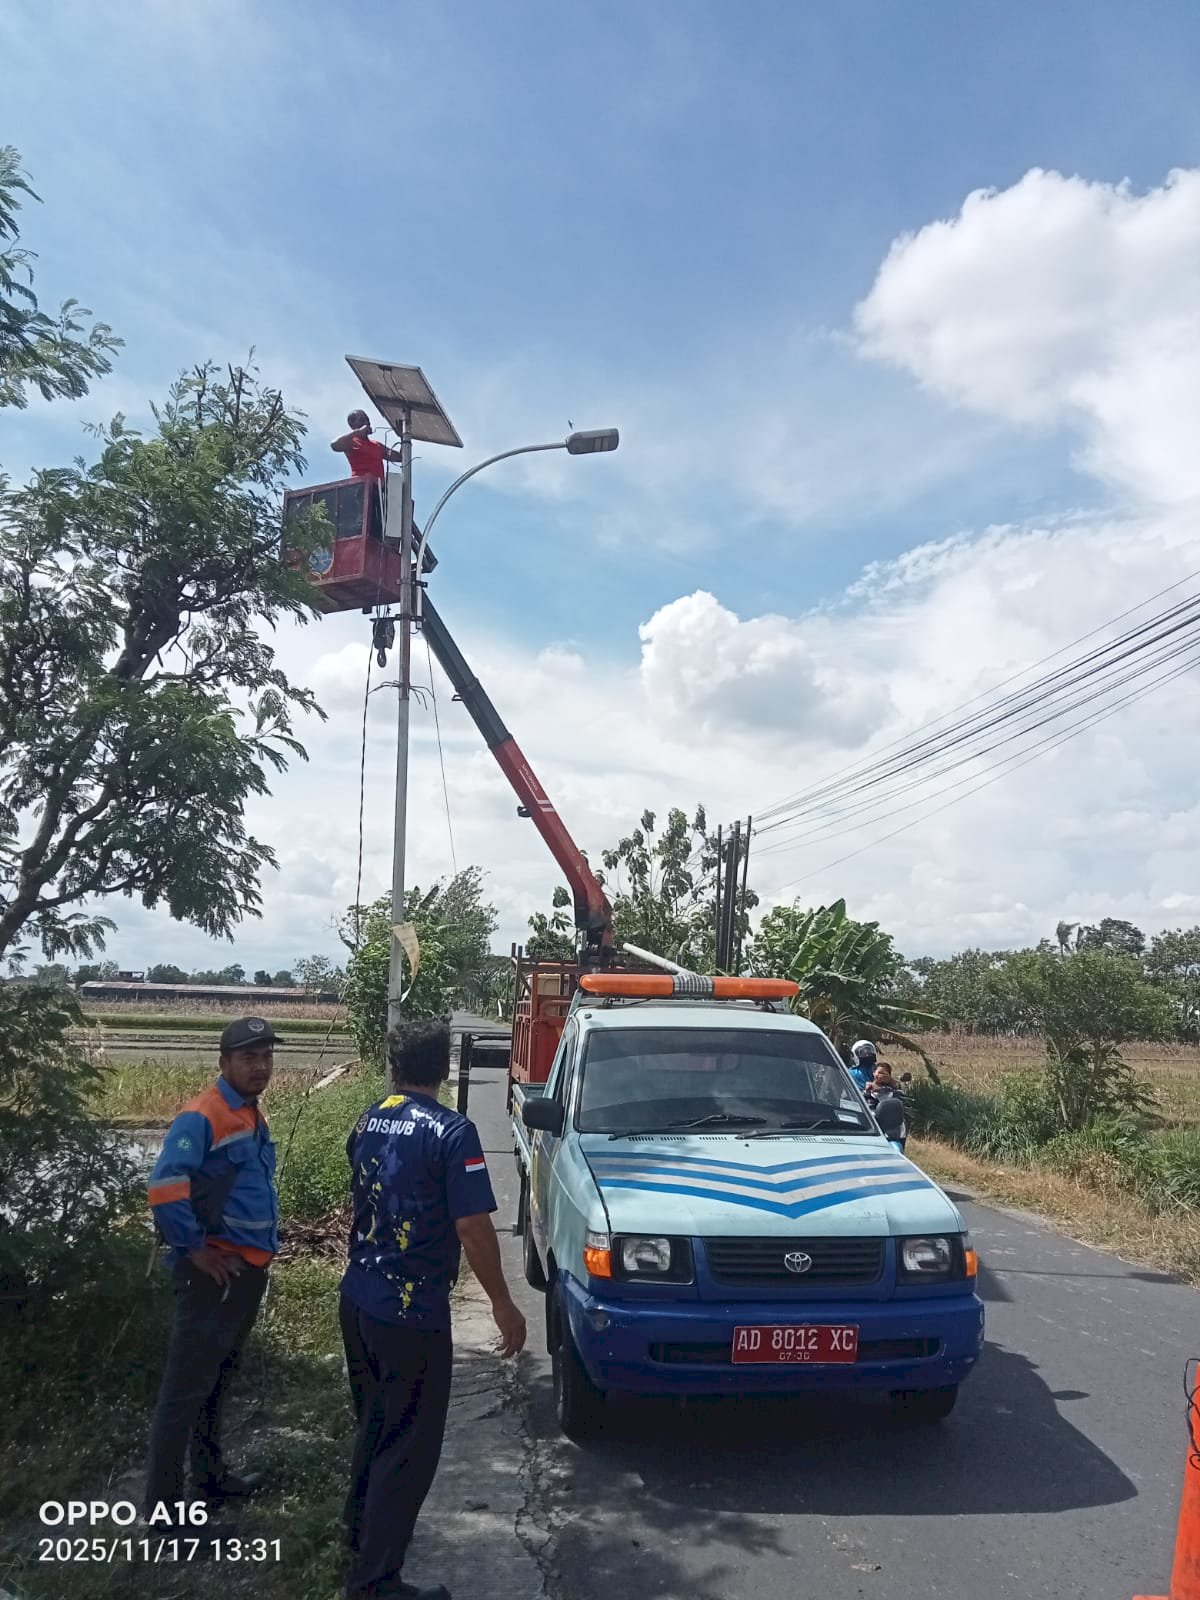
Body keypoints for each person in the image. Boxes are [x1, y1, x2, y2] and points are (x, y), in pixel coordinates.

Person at [340, 1020, 527, 1600]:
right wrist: (503, 1303)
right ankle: (375, 1581)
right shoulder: (452, 1132)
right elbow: (472, 1225)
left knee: (376, 1422)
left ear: (394, 1065)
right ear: (443, 1068)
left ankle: (358, 1534)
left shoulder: (367, 1120)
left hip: (358, 1299)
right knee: (410, 1447)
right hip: (410, 1311)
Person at [144, 1017, 281, 1525]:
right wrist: (197, 1251)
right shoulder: (203, 1115)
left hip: (244, 1273)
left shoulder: (249, 1112)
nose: (260, 1066)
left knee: (218, 1381)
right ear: (224, 1063)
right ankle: (163, 1515)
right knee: (183, 1394)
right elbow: (164, 1189)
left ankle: (210, 1478)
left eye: (266, 1057)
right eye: (248, 1058)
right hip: (211, 1278)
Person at [332, 409, 403, 481]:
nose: (367, 423)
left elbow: (401, 458)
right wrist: (358, 432)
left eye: (367, 420)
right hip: (360, 485)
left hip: (377, 486)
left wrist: (403, 436)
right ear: (352, 424)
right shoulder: (351, 442)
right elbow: (334, 445)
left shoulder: (377, 445)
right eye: (362, 420)